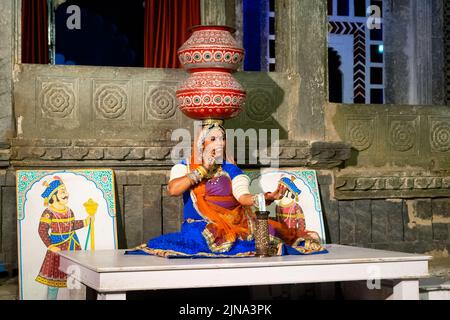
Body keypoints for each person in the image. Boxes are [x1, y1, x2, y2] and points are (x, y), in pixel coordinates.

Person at [128, 120, 327, 258]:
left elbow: (243, 197)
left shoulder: (231, 169)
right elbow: (173, 190)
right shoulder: (184, 166)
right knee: (199, 239)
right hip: (201, 224)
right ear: (201, 143)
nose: (219, 143)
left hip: (238, 224)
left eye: (222, 138)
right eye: (213, 139)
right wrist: (203, 170)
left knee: (267, 234)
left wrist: (267, 197)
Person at [36, 176, 94, 299]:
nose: (66, 194)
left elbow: (71, 225)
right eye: (62, 192)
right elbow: (42, 230)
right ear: (53, 196)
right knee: (53, 284)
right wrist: (51, 246)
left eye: (65, 191)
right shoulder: (48, 212)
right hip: (57, 249)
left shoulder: (69, 211)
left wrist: (85, 221)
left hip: (73, 247)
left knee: (74, 279)